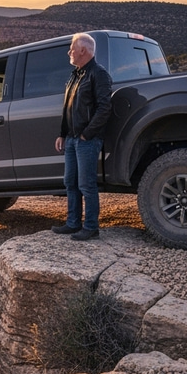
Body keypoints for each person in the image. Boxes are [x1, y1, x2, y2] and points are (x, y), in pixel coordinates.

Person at [51, 33, 113, 241]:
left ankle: (91, 227)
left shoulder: (98, 74)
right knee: (70, 181)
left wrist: (87, 134)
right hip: (71, 139)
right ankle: (73, 223)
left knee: (86, 184)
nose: (69, 52)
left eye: (72, 48)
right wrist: (63, 134)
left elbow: (105, 108)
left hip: (87, 139)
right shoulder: (75, 74)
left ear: (83, 51)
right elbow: (67, 107)